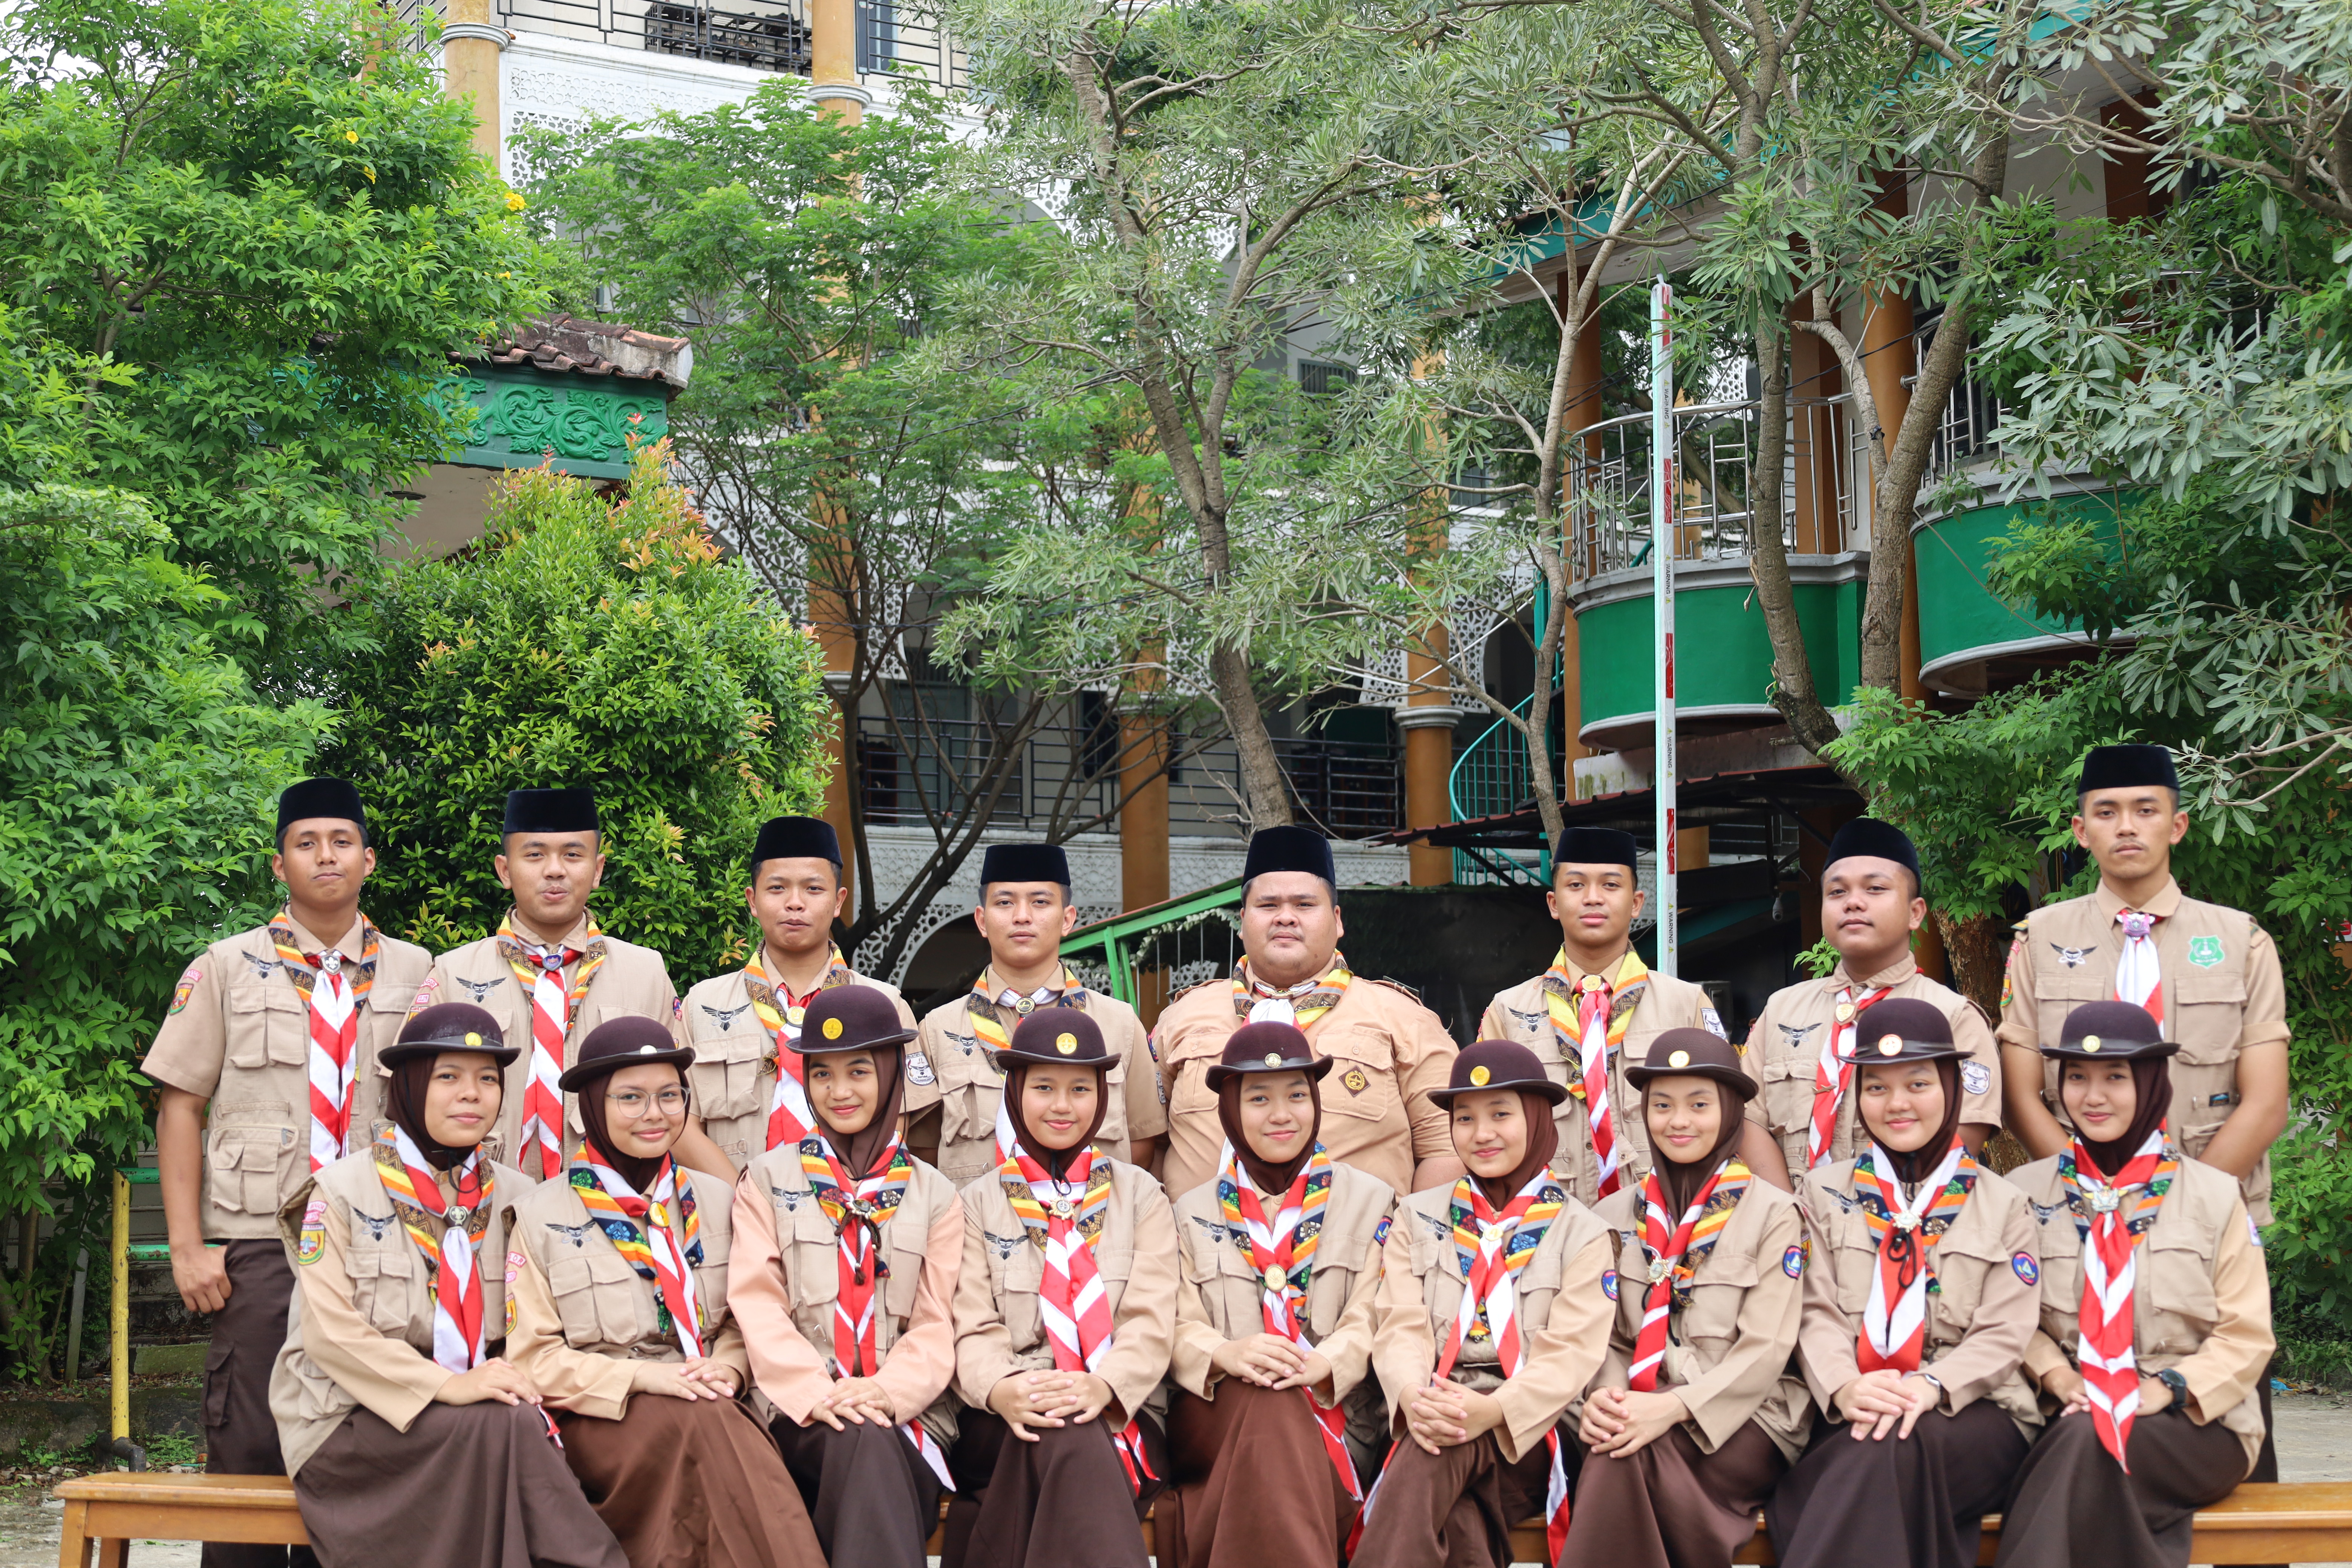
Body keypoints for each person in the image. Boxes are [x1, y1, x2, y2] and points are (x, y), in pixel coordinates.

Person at [144, 776, 433, 1568]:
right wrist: (186, 1245)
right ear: (279, 865)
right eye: (306, 843)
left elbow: (447, 1115)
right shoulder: (227, 966)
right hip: (260, 1247)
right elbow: (179, 1106)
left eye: (342, 841)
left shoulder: (418, 972)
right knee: (248, 1446)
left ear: (369, 859)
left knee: (367, 1449)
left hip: (384, 1244)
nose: (325, 855)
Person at [1997, 743, 2293, 1491]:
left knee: (2224, 1437)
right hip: (2073, 1230)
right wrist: (2087, 1186)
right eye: (2106, 812)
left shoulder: (2241, 941)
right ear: (2080, 829)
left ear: (2179, 824)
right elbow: (2022, 1090)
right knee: (2079, 1448)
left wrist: (2178, 1197)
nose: (2126, 826)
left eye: (2145, 810)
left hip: (2208, 1234)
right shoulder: (2039, 940)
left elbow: (2265, 1099)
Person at [266, 1003, 624, 1568]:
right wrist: (443, 1386)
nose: (472, 1095)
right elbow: (330, 1336)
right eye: (448, 1077)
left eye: (488, 1079)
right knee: (500, 1426)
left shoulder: (514, 1192)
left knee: (511, 1423)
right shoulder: (338, 1192)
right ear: (410, 1086)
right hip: (351, 1421)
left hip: (485, 1411)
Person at [504, 1016, 824, 1568]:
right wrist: (647, 1377)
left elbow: (751, 1318)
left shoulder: (721, 1200)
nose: (655, 1114)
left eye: (670, 1096)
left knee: (710, 1418)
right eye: (631, 1098)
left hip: (712, 1404)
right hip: (604, 1418)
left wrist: (730, 1368)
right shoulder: (541, 1215)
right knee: (707, 1424)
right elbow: (534, 1360)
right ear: (593, 1108)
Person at [1995, 1001, 2274, 1568]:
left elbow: (2247, 1335)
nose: (2093, 1096)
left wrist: (2167, 1387)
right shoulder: (2022, 1193)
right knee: (2088, 1441)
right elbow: (2004, 1314)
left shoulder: (2214, 1195)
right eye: (2077, 1078)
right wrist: (2055, 1374)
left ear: (2150, 1084)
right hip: (2062, 1409)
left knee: (2094, 1441)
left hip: (2194, 1423)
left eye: (2115, 1078)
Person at [1768, 999, 2043, 1568]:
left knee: (1879, 1455)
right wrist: (1845, 1387)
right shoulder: (1822, 1193)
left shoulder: (2006, 1202)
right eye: (1876, 1087)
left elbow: (2006, 1331)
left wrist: (1930, 1387)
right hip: (1854, 1407)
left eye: (1918, 1084)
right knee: (1874, 1450)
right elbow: (1811, 1310)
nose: (1897, 1105)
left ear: (1951, 1087)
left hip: (1974, 1412)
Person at [728, 985, 966, 1568]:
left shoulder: (936, 1195)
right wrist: (820, 1396)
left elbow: (938, 1323)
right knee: (859, 1438)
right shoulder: (766, 1180)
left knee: (868, 1441)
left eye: (859, 1071)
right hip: (798, 1416)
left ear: (890, 1075)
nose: (839, 1092)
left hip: (909, 1418)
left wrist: (884, 1393)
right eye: (822, 1074)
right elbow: (758, 1306)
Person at [1351, 1040, 1614, 1568]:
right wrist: (1412, 1397)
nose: (1483, 1134)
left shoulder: (1582, 1232)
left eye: (1501, 1114)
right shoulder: (1417, 1215)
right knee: (1458, 1517)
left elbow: (1571, 1356)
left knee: (1437, 1450)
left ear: (1537, 1119)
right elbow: (1399, 1323)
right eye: (1465, 1119)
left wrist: (1492, 1411)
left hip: (1532, 1431)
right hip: (1428, 1412)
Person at [1565, 1029, 1809, 1568]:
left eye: (1699, 1105)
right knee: (1619, 1445)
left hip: (1745, 1418)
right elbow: (1598, 1334)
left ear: (1731, 1114)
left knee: (1619, 1455)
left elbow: (1767, 1349)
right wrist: (1609, 1397)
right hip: (1633, 1407)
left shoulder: (1775, 1215)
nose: (1679, 1122)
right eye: (1662, 1106)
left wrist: (1673, 1407)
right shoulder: (1609, 1217)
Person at [947, 1010, 1178, 1568]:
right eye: (1043, 1087)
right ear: (1015, 1092)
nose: (1061, 1106)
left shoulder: (1142, 1196)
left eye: (1080, 1089)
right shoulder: (977, 1202)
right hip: (1005, 1417)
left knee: (1074, 1431)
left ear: (1102, 1098)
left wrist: (1104, 1389)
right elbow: (971, 1325)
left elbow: (1151, 1322)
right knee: (1066, 1432)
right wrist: (1005, 1390)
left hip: (1122, 1410)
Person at [1158, 1022, 1393, 1568]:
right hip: (1218, 1421)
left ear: (1316, 1103)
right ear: (1230, 1113)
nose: (1281, 1115)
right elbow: (1173, 1321)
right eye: (1259, 1099)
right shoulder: (1189, 1214)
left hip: (1339, 1420)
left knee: (1279, 1403)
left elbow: (1374, 1316)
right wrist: (1226, 1354)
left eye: (1296, 1096)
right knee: (1266, 1401)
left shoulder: (1373, 1202)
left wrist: (1321, 1364)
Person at [1152, 824, 1462, 1205]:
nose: (1286, 917)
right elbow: (1147, 1144)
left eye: (1304, 905)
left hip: (1359, 1259)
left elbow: (1446, 1147)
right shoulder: (1181, 1018)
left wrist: (1407, 1247)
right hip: (1205, 1258)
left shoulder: (1401, 1019)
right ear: (1242, 918)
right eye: (1268, 906)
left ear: (1337, 919)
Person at [1478, 826, 1784, 1207]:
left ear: (1637, 902)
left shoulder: (1686, 1003)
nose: (1593, 898)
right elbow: (1484, 1125)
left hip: (1663, 1220)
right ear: (1554, 903)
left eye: (1610, 885)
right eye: (1576, 885)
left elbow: (1730, 1119)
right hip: (1548, 1224)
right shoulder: (1508, 1011)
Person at [421, 787, 702, 1182]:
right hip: (483, 1199)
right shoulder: (452, 974)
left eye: (573, 854)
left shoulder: (646, 972)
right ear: (504, 869)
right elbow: (415, 1102)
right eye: (535, 855)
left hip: (612, 1203)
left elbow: (678, 1109)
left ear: (598, 869)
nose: (555, 869)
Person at [1744, 818, 2003, 1186]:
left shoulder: (1953, 1017)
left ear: (1916, 913)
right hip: (1794, 1234)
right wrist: (1792, 1219)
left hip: (1902, 1230)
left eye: (1876, 888)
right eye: (1837, 892)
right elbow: (1748, 1119)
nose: (1853, 902)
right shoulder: (1782, 1010)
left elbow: (1964, 1138)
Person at [907, 842, 1165, 1187]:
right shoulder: (937, 1030)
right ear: (982, 921)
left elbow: (1143, 1144)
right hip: (976, 1233)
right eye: (1004, 902)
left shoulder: (1119, 1024)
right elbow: (923, 1152)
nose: (1022, 916)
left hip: (1090, 1230)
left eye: (1041, 902)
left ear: (1067, 919)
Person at [678, 815, 916, 1179]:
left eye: (813, 889)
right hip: (732, 1217)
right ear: (752, 900)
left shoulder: (885, 1005)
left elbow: (900, 1122)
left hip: (851, 1216)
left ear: (838, 902)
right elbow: (680, 1123)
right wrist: (744, 1200)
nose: (795, 903)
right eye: (777, 889)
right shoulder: (702, 1005)